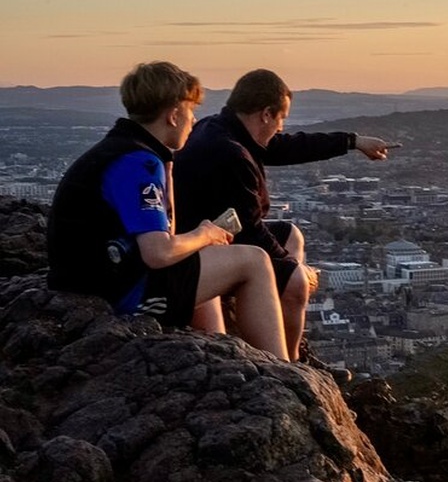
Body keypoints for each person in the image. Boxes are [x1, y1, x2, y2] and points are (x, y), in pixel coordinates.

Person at [46, 61, 291, 361]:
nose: (194, 119)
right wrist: (204, 233)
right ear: (174, 115)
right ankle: (281, 366)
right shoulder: (138, 163)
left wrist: (169, 163)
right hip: (119, 293)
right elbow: (158, 253)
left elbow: (166, 233)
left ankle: (219, 354)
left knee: (197, 261)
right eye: (191, 110)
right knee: (255, 261)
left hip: (91, 282)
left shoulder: (125, 150)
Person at [173, 69, 393, 372]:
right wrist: (295, 271)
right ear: (266, 114)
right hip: (199, 248)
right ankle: (290, 367)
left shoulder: (224, 128)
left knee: (291, 235)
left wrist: (353, 142)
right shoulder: (229, 153)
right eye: (281, 118)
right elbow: (249, 229)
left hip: (215, 233)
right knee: (297, 282)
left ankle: (279, 331)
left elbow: (287, 146)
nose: (282, 126)